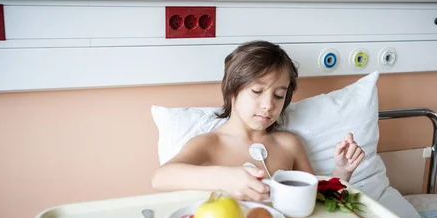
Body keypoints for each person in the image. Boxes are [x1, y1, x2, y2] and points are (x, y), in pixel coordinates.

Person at [151, 40, 365, 201]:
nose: (268, 105)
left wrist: (342, 171)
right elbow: (161, 178)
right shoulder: (210, 144)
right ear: (232, 90)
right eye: (256, 91)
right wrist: (224, 178)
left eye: (279, 95)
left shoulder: (288, 144)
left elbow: (314, 198)